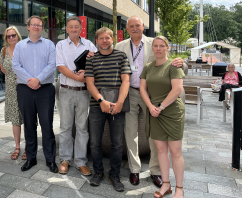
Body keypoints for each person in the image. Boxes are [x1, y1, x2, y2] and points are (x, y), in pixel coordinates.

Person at [115, 16, 183, 187]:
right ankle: (134, 170)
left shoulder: (155, 43)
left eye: (138, 25)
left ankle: (155, 171)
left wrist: (181, 62)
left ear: (143, 26)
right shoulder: (120, 46)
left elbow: (171, 62)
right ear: (127, 28)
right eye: (131, 26)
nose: (135, 28)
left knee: (154, 134)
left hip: (152, 96)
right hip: (129, 93)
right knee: (130, 132)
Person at [85, 27, 131, 192]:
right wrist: (101, 101)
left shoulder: (121, 56)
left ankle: (115, 174)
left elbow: (126, 81)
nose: (104, 41)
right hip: (97, 105)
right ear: (96, 40)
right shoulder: (91, 59)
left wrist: (119, 103)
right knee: (95, 142)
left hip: (117, 104)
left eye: (107, 38)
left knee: (117, 143)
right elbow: (89, 83)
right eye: (101, 38)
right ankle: (98, 172)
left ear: (113, 39)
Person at [140, 36, 185, 198]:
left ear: (167, 48)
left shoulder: (174, 66)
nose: (158, 48)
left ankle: (179, 187)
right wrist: (151, 106)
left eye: (161, 46)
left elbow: (177, 89)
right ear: (152, 48)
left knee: (175, 152)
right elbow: (142, 89)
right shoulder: (148, 67)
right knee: (160, 150)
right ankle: (166, 184)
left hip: (171, 112)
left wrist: (160, 107)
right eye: (155, 46)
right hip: (154, 112)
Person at [12, 15, 58, 173]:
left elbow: (52, 65)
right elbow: (15, 66)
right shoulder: (19, 45)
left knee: (47, 126)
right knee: (29, 126)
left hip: (45, 89)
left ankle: (50, 159)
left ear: (42, 27)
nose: (37, 27)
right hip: (25, 90)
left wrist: (37, 79)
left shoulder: (49, 44)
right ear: (28, 27)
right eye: (34, 25)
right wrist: (30, 81)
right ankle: (31, 158)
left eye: (39, 25)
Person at [56, 16, 97, 175]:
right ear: (66, 29)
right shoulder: (60, 45)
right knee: (65, 127)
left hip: (84, 93)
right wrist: (79, 78)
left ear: (81, 29)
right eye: (70, 27)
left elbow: (97, 61)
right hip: (66, 90)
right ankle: (65, 159)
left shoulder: (89, 45)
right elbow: (61, 67)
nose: (74, 29)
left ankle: (81, 161)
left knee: (82, 128)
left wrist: (87, 72)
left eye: (76, 27)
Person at [0, 26, 26, 160]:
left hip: (25, 87)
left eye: (13, 35)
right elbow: (3, 68)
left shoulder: (24, 49)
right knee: (15, 120)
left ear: (18, 36)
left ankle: (28, 147)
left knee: (27, 118)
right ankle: (17, 146)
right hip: (10, 90)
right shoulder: (3, 51)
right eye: (8, 36)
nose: (11, 38)